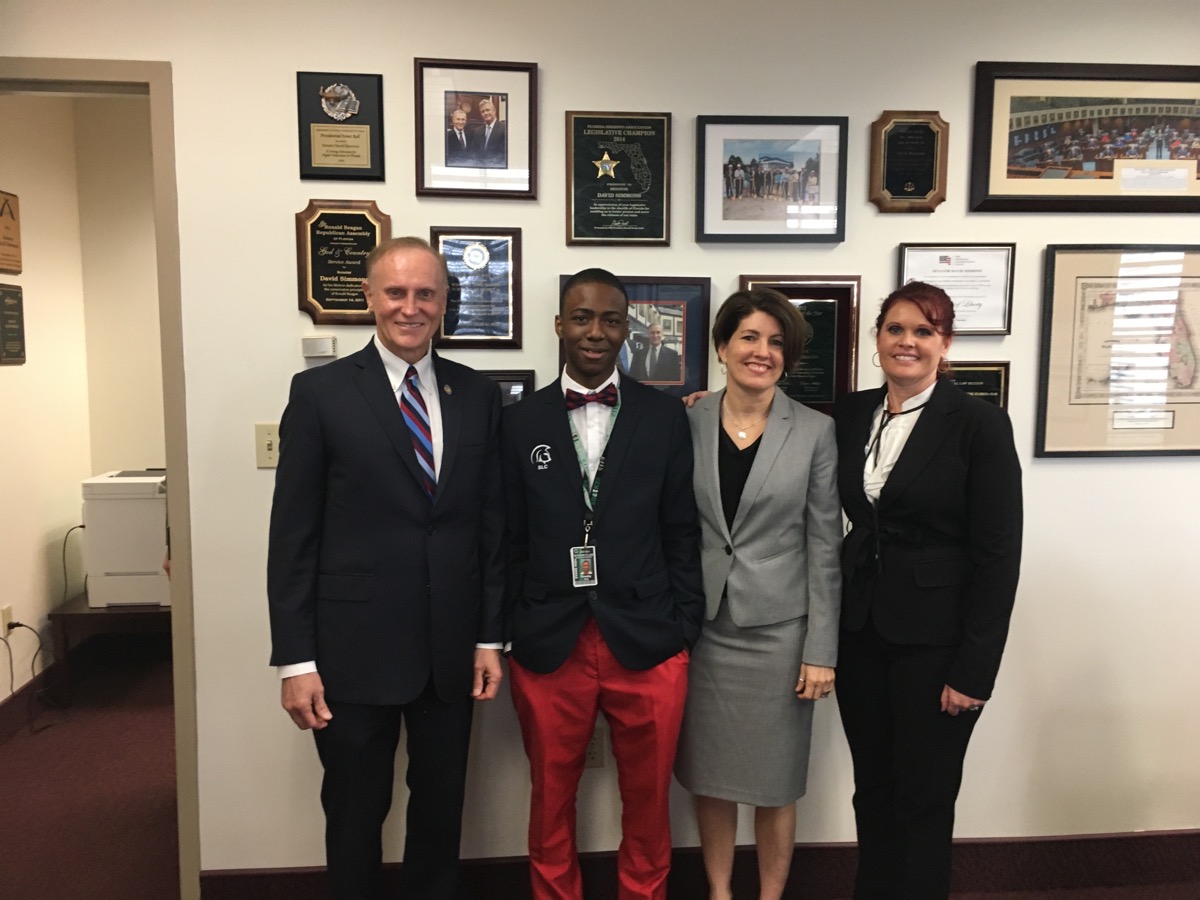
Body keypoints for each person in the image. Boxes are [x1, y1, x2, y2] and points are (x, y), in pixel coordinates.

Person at [267, 236, 505, 900]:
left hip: (449, 651)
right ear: (368, 298)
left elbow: (490, 527)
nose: (411, 307)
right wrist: (295, 661)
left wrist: (489, 638)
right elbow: (292, 538)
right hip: (350, 655)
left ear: (444, 300)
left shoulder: (477, 395)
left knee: (440, 811)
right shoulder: (320, 394)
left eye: (425, 293)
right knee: (353, 813)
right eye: (395, 292)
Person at [501, 267, 704, 900]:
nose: (596, 332)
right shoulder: (519, 421)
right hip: (549, 638)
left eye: (610, 319)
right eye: (582, 318)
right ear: (559, 325)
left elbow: (681, 529)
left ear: (627, 329)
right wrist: (509, 627)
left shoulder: (665, 417)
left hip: (646, 638)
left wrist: (683, 627)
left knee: (648, 802)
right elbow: (506, 537)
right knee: (549, 801)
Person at [833, 281, 1023, 899]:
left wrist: (975, 671)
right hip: (860, 631)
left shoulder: (979, 424)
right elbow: (774, 424)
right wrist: (705, 405)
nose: (906, 342)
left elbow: (999, 557)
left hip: (938, 647)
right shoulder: (852, 414)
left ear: (945, 344)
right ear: (877, 339)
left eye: (923, 330)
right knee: (874, 789)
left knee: (924, 796)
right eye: (895, 329)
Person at [674, 288, 841, 900]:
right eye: (748, 338)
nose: (761, 352)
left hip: (780, 635)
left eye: (775, 342)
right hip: (706, 630)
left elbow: (825, 546)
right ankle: (719, 892)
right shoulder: (685, 420)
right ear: (722, 347)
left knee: (776, 783)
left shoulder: (816, 431)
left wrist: (821, 649)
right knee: (710, 777)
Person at [474, 98, 507, 168]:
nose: (485, 113)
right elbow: (474, 152)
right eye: (482, 111)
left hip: (497, 169)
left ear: (494, 111)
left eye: (487, 110)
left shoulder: (504, 128)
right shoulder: (477, 131)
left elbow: (504, 154)